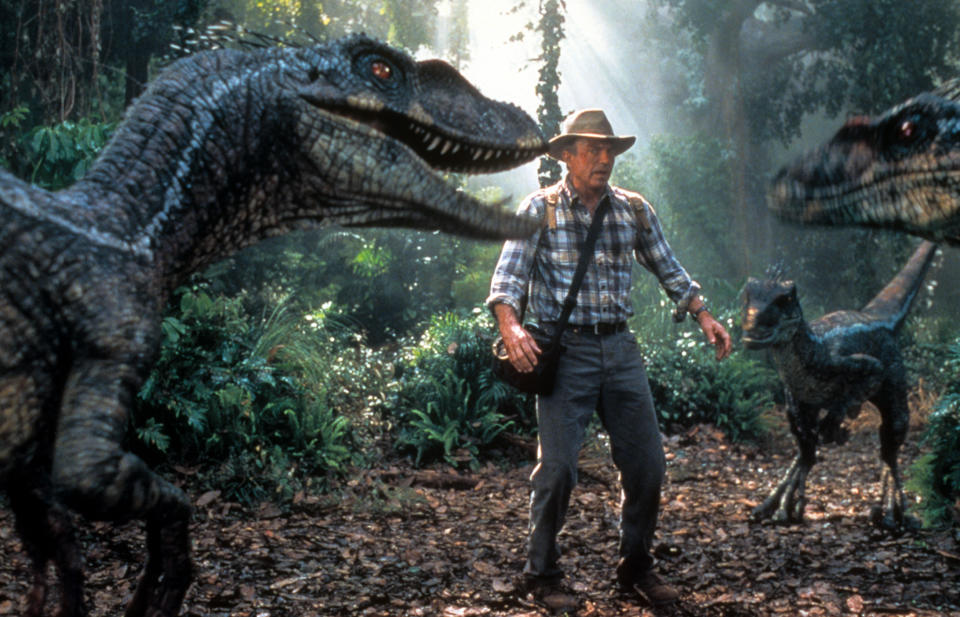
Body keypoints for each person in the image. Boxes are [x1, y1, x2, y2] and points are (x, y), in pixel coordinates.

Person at [486, 108, 732, 607]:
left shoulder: (633, 210)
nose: (603, 159)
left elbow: (669, 267)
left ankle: (636, 565)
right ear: (568, 156)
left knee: (648, 466)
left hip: (620, 349)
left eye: (609, 151)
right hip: (567, 352)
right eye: (593, 150)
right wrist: (510, 325)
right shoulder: (539, 210)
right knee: (556, 469)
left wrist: (704, 315)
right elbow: (507, 281)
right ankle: (541, 574)